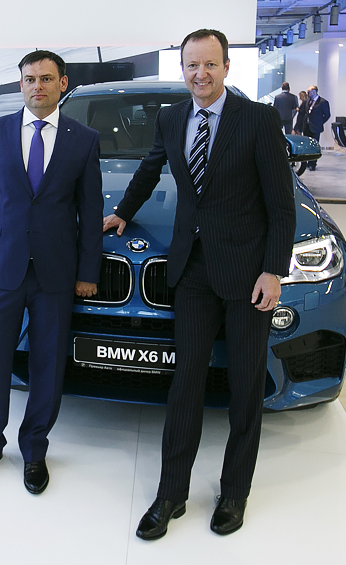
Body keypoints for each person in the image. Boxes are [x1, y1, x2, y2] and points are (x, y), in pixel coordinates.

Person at [102, 29, 294, 538]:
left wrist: (273, 270)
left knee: (245, 387)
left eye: (210, 64)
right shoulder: (171, 118)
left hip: (248, 274)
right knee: (185, 382)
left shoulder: (258, 119)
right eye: (192, 65)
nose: (200, 74)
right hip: (190, 271)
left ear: (227, 67)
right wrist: (123, 211)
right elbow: (149, 169)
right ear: (182, 69)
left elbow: (281, 204)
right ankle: (171, 493)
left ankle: (234, 492)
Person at [0, 50, 103, 495]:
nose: (38, 86)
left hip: (56, 272)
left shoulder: (84, 139)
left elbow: (90, 210)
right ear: (20, 84)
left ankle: (35, 449)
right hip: (1, 266)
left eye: (46, 78)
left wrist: (88, 271)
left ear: (62, 83)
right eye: (30, 79)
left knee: (48, 363)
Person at [302, 85, 330, 171]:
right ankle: (307, 161)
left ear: (314, 92)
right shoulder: (307, 101)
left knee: (314, 146)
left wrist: (319, 122)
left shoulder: (322, 102)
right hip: (307, 127)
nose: (307, 94)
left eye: (309, 92)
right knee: (307, 145)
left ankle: (313, 163)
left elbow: (327, 115)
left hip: (315, 127)